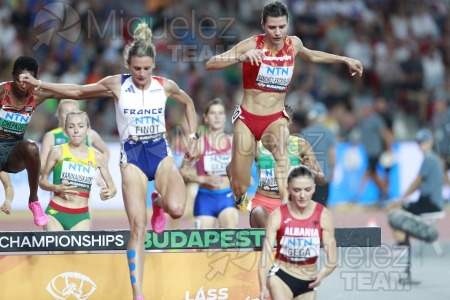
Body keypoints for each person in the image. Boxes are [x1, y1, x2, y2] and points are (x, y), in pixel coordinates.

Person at [20, 23, 198, 300]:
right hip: (133, 158)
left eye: (147, 69)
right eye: (137, 69)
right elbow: (77, 91)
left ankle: (158, 203)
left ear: (153, 65)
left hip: (160, 154)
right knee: (138, 228)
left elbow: (188, 103)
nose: (142, 75)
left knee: (177, 208)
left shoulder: (165, 86)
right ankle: (137, 293)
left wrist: (193, 135)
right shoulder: (118, 84)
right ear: (129, 65)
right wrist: (39, 84)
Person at [205, 1, 363, 209]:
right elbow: (211, 63)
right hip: (247, 118)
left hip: (274, 118)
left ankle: (285, 210)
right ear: (263, 25)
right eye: (272, 27)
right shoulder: (252, 44)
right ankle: (234, 174)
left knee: (283, 155)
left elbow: (313, 55)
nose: (277, 32)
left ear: (288, 24)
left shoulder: (293, 44)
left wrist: (343, 59)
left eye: (282, 26)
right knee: (240, 187)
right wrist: (240, 57)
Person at [39, 110, 116, 249]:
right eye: (71, 126)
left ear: (87, 129)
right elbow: (42, 181)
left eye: (80, 126)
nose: (76, 131)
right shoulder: (57, 151)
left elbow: (112, 188)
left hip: (81, 216)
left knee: (79, 263)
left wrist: (107, 194)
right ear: (66, 130)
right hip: (55, 213)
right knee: (56, 261)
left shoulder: (97, 157)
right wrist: (55, 187)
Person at [258, 166, 336, 300]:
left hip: (308, 281)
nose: (302, 195)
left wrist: (322, 274)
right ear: (288, 189)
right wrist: (263, 287)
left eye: (307, 189)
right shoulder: (277, 216)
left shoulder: (324, 216)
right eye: (296, 190)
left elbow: (332, 260)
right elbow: (264, 258)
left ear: (314, 188)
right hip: (281, 276)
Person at [0, 56, 53, 227]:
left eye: (27, 81)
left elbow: (75, 92)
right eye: (18, 80)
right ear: (12, 75)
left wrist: (39, 84)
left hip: (14, 152)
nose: (22, 85)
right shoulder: (2, 91)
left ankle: (34, 201)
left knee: (31, 146)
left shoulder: (36, 96)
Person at [251, 120, 326, 228]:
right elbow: (239, 169)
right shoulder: (258, 145)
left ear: (289, 124)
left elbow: (322, 180)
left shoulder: (300, 145)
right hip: (264, 202)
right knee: (259, 214)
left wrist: (309, 169)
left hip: (293, 204)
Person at [180, 98, 238, 229]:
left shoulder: (233, 143)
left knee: (230, 242)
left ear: (225, 117)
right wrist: (201, 178)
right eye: (213, 113)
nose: (217, 117)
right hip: (205, 199)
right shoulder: (198, 144)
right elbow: (182, 171)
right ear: (206, 118)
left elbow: (241, 170)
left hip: (227, 197)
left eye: (221, 113)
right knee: (204, 246)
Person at [388, 128, 444, 245]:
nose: (420, 145)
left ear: (430, 142)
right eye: (419, 142)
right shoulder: (434, 159)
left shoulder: (429, 160)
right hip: (431, 202)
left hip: (430, 203)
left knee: (394, 210)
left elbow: (416, 183)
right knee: (399, 209)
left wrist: (401, 199)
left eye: (423, 142)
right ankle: (405, 239)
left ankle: (402, 243)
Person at [40, 99, 110, 171]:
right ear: (58, 115)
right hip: (57, 181)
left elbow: (105, 151)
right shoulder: (51, 136)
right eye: (65, 112)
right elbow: (42, 166)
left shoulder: (90, 134)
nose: (69, 115)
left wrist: (99, 172)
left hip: (83, 180)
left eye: (73, 112)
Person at [302, 102, 336, 207]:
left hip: (309, 174)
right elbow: (332, 155)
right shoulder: (329, 132)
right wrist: (332, 171)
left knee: (309, 205)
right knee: (322, 206)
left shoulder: (305, 132)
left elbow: (302, 155)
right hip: (324, 174)